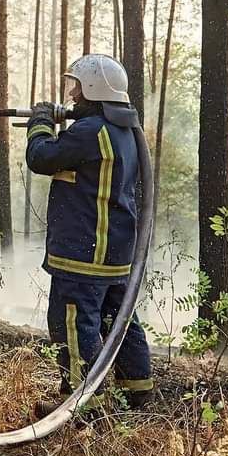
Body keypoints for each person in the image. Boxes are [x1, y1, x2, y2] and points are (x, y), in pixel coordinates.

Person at [24, 54, 153, 416]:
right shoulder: (123, 131)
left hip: (83, 253)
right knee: (118, 319)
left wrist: (40, 121)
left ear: (95, 88)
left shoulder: (91, 132)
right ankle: (136, 389)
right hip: (114, 252)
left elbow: (41, 157)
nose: (73, 94)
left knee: (73, 324)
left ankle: (83, 403)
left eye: (77, 86)